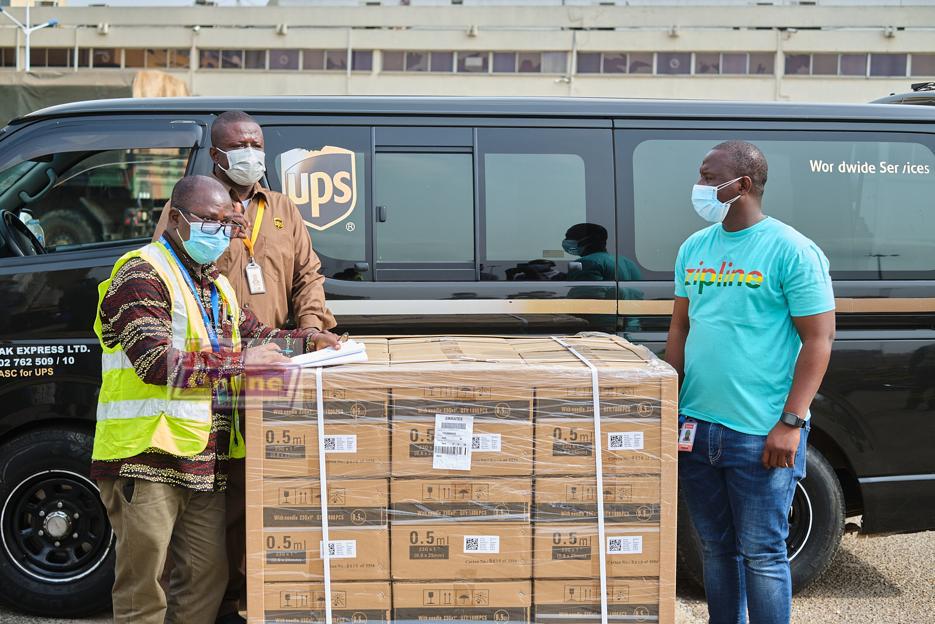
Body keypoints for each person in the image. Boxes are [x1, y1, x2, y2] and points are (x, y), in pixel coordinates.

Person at [91, 175, 338, 624]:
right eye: (209, 220)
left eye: (227, 222)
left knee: (205, 581)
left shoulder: (216, 284)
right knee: (144, 590)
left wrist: (310, 339)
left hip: (204, 462)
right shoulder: (140, 273)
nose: (220, 231)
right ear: (176, 218)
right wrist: (241, 362)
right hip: (145, 458)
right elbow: (154, 363)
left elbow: (259, 336)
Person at [152, 111, 338, 623]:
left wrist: (313, 329)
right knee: (221, 493)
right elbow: (173, 275)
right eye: (240, 145)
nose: (251, 152)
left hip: (275, 364)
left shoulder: (282, 208)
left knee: (273, 483)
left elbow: (308, 275)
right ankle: (220, 600)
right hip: (217, 373)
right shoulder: (194, 211)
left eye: (257, 142)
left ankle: (259, 595)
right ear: (217, 156)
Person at [665, 141, 835, 624]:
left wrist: (791, 422)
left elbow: (819, 340)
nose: (699, 186)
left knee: (763, 554)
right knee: (716, 550)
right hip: (695, 428)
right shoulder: (693, 248)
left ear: (740, 185)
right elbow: (681, 327)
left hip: (760, 433)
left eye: (706, 175)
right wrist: (670, 402)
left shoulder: (792, 250)